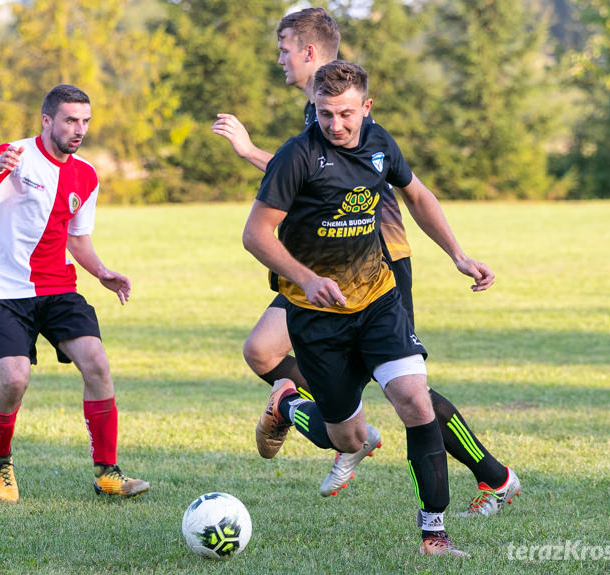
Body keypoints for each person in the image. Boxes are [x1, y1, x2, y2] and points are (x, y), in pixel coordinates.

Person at [214, 7, 519, 516]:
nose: (279, 59)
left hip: (379, 262)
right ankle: (335, 422)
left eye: (284, 48)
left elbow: (329, 179)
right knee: (262, 352)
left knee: (408, 390)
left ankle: (494, 476)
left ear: (309, 52)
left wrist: (248, 151)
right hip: (321, 269)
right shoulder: (323, 110)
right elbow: (303, 178)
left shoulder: (337, 111)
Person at [244, 60, 493, 556]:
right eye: (324, 113)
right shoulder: (297, 155)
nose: (335, 124)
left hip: (378, 300)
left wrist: (459, 255)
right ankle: (291, 404)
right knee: (347, 436)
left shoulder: (380, 143)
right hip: (316, 318)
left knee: (415, 402)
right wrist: (307, 278)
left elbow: (418, 196)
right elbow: (255, 234)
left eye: (345, 114)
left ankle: (434, 536)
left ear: (367, 108)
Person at [0, 84, 149, 503]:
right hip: (4, 291)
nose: (78, 129)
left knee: (97, 363)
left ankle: (107, 473)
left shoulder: (86, 175)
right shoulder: (17, 154)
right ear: (47, 120)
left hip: (58, 287)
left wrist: (102, 273)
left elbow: (77, 239)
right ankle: (1, 462)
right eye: (70, 120)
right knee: (14, 378)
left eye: (84, 121)